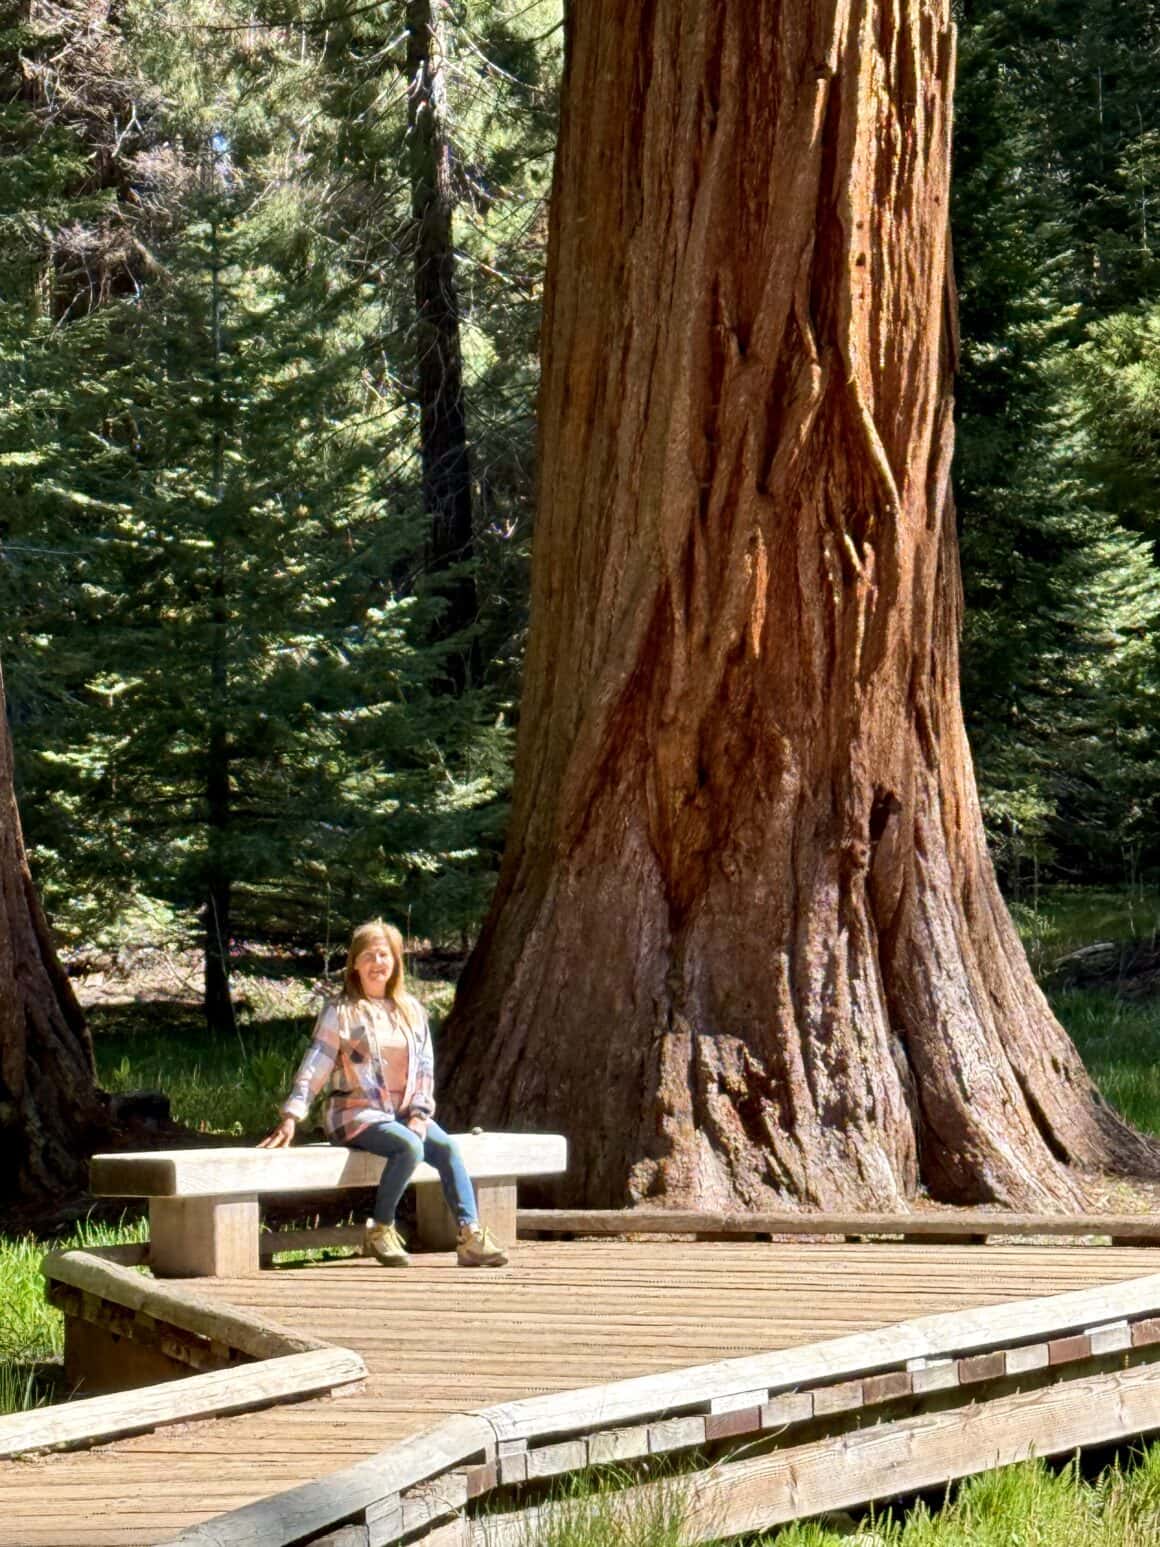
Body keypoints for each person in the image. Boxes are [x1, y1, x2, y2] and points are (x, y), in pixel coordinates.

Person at [260, 919, 507, 1269]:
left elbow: (424, 1068)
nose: (378, 963)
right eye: (369, 956)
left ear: (396, 962)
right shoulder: (342, 1011)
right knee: (409, 1146)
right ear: (355, 964)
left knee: (448, 1147)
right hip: (355, 1114)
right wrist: (292, 1115)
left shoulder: (411, 1011)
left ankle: (471, 1235)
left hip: (404, 1114)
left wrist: (421, 1113)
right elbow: (316, 1063)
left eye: (385, 955)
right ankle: (380, 1229)